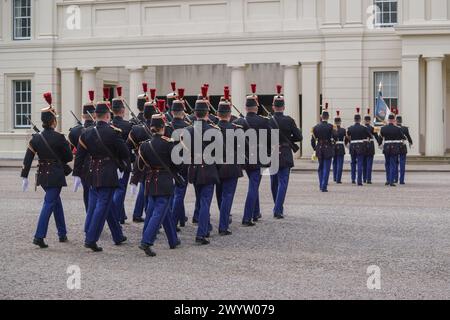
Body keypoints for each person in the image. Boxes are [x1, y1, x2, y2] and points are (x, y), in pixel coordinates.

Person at [74, 97, 130, 252]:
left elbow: (79, 156)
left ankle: (117, 235)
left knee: (107, 205)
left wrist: (77, 174)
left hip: (91, 173)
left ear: (96, 115)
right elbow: (125, 152)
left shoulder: (86, 133)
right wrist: (124, 167)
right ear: (107, 116)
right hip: (107, 173)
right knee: (102, 205)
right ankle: (91, 239)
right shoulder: (113, 132)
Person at [21, 93, 73, 248]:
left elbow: (28, 158)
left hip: (43, 175)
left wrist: (24, 176)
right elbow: (69, 157)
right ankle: (39, 236)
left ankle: (62, 233)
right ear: (53, 121)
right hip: (55, 175)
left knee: (56, 202)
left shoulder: (35, 138)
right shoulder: (59, 137)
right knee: (49, 203)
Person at [138, 114, 181, 257]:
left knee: (160, 211)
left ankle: (173, 240)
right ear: (162, 128)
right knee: (158, 212)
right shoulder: (169, 143)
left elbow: (140, 165)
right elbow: (177, 164)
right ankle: (147, 241)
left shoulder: (144, 145)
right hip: (164, 180)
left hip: (150, 180)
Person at [182, 86, 220, 244]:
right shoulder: (214, 130)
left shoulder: (187, 130)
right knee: (205, 202)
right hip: (209, 169)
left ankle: (205, 226)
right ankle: (201, 233)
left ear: (195, 113)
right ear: (207, 113)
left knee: (201, 200)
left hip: (195, 168)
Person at [233, 84, 270, 224]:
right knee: (253, 186)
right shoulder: (263, 121)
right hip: (257, 158)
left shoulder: (238, 122)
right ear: (256, 108)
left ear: (246, 108)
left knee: (255, 184)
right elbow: (269, 140)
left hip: (243, 158)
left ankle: (256, 212)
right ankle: (247, 217)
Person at [269, 85, 302, 218]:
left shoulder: (269, 121)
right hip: (286, 152)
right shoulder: (289, 120)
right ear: (283, 107)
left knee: (273, 182)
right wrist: (289, 139)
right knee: (283, 182)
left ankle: (277, 206)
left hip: (272, 152)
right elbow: (299, 137)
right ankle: (278, 209)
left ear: (273, 107)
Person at [215, 88, 244, 235]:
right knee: (227, 196)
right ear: (229, 114)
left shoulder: (212, 129)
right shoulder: (237, 129)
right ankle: (223, 225)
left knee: (220, 195)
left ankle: (223, 218)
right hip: (232, 166)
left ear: (217, 114)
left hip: (216, 167)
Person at [128, 90, 157, 223]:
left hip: (140, 160)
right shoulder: (154, 125)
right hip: (151, 161)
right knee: (146, 190)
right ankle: (143, 214)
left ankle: (138, 213)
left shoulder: (135, 122)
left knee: (143, 187)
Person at [69, 90, 96, 212]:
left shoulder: (74, 131)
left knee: (87, 193)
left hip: (83, 167)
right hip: (98, 165)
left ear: (83, 116)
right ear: (95, 114)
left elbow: (72, 151)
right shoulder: (98, 129)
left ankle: (89, 215)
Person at [166, 98, 191, 228]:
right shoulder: (188, 127)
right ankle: (173, 221)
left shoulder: (167, 127)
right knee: (179, 193)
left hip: (170, 163)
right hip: (183, 163)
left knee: (173, 193)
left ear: (171, 111)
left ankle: (180, 218)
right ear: (182, 113)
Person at [111, 86, 133, 224]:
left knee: (116, 189)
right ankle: (116, 215)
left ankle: (121, 214)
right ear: (123, 110)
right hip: (124, 161)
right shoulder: (128, 125)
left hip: (110, 161)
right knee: (120, 190)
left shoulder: (108, 124)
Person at [311, 105, 335, 192]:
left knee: (320, 167)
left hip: (319, 148)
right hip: (328, 147)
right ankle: (324, 186)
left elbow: (312, 140)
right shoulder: (331, 126)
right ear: (328, 117)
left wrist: (315, 148)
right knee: (326, 168)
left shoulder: (315, 127)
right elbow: (335, 137)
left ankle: (321, 184)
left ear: (321, 117)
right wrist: (332, 146)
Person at [379, 113, 405, 187]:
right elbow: (403, 137)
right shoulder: (397, 129)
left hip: (386, 147)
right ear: (394, 120)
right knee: (393, 164)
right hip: (394, 147)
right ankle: (391, 180)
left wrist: (380, 144)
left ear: (388, 120)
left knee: (387, 164)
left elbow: (380, 138)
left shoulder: (383, 128)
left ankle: (387, 180)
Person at [346, 108, 371, 186]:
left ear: (354, 120)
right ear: (360, 120)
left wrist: (351, 140)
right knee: (360, 163)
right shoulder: (364, 128)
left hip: (353, 145)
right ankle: (359, 181)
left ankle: (353, 179)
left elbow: (347, 137)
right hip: (360, 146)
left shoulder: (350, 128)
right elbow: (369, 136)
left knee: (353, 163)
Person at [362, 109, 380, 185]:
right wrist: (380, 143)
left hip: (363, 146)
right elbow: (377, 138)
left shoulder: (361, 128)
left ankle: (364, 178)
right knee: (369, 163)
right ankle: (369, 179)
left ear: (364, 120)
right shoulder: (373, 128)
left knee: (363, 163)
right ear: (369, 121)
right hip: (370, 146)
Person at [395, 115, 413, 185]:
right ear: (401, 121)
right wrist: (411, 142)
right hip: (402, 146)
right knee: (402, 164)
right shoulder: (405, 128)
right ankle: (401, 180)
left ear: (396, 121)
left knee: (395, 163)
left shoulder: (394, 128)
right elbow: (408, 137)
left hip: (395, 146)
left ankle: (395, 179)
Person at [332, 110, 347, 184]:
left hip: (334, 146)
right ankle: (338, 179)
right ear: (340, 122)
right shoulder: (343, 130)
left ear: (335, 122)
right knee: (340, 163)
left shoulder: (332, 130)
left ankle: (334, 177)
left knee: (334, 162)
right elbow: (346, 139)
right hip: (341, 146)